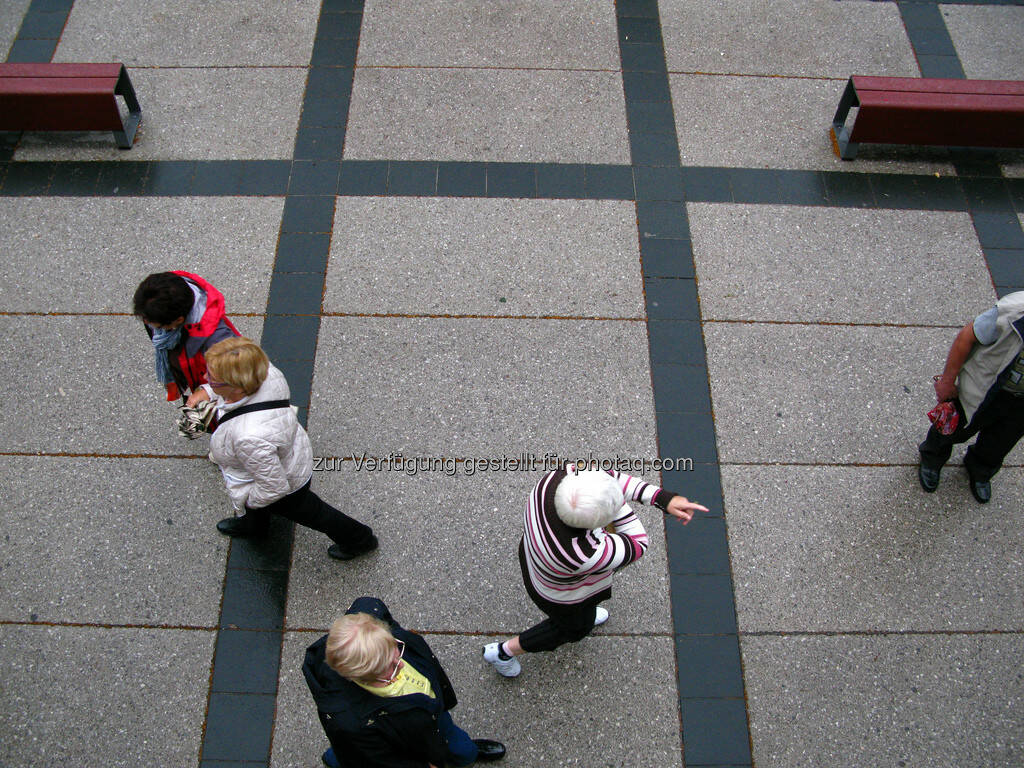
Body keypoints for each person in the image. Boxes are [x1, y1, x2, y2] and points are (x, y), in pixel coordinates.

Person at [482, 464, 707, 678]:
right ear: (598, 523)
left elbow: (607, 477)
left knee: (583, 615)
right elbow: (638, 544)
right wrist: (614, 500)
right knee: (573, 629)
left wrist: (662, 498)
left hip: (535, 559)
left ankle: (586, 614)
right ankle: (503, 652)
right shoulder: (583, 555)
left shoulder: (554, 479)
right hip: (560, 596)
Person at [200, 337, 377, 560]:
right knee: (267, 504)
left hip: (287, 484)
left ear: (235, 386)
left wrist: (246, 499)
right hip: (290, 454)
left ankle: (359, 539)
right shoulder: (265, 373)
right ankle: (254, 525)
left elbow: (274, 488)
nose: (206, 379)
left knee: (314, 513)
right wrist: (209, 391)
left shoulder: (248, 437)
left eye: (212, 379)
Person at [304, 596, 506, 768]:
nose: (400, 665)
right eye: (388, 669)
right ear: (356, 676)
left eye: (396, 649)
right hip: (400, 734)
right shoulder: (352, 722)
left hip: (424, 716)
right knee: (358, 753)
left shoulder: (370, 623)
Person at [919, 291, 1024, 503]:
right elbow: (966, 337)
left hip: (1020, 403)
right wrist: (948, 381)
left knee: (1000, 442)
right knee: (951, 428)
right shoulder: (1013, 311)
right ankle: (932, 458)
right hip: (982, 389)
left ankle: (981, 470)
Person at [133, 271, 239, 404]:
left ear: (178, 320)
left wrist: (207, 392)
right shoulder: (158, 302)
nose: (148, 325)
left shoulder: (219, 340)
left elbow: (240, 376)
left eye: (158, 327)